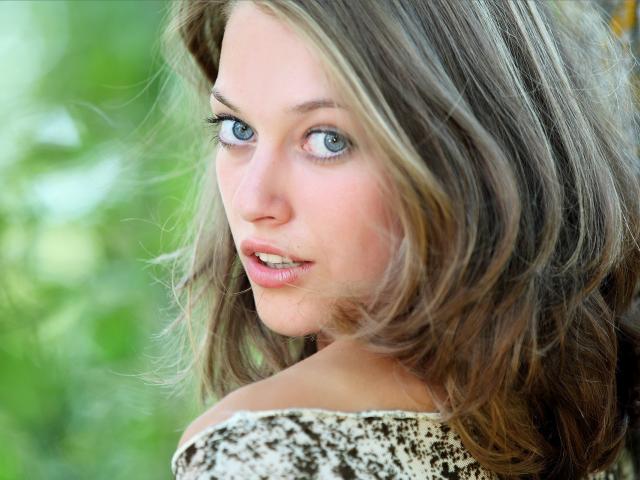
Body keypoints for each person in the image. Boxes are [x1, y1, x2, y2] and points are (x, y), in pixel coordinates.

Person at [162, 0, 640, 478]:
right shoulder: (589, 408)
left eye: (328, 139)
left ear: (468, 159)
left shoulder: (263, 452)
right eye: (237, 129)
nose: (252, 201)